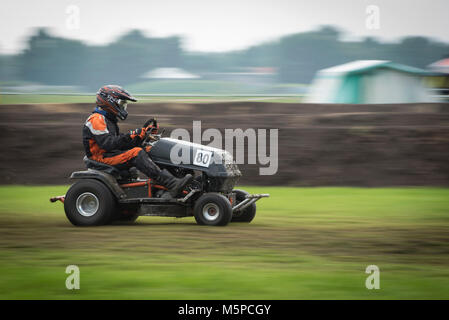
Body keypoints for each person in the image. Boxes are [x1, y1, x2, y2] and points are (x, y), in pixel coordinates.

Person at [83, 85, 192, 197]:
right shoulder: (97, 119)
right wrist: (131, 135)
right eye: (121, 104)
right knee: (136, 153)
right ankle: (172, 184)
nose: (123, 107)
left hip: (110, 154)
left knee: (148, 149)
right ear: (110, 101)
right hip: (102, 158)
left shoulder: (108, 120)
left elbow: (121, 143)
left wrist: (141, 135)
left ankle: (174, 178)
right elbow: (108, 144)